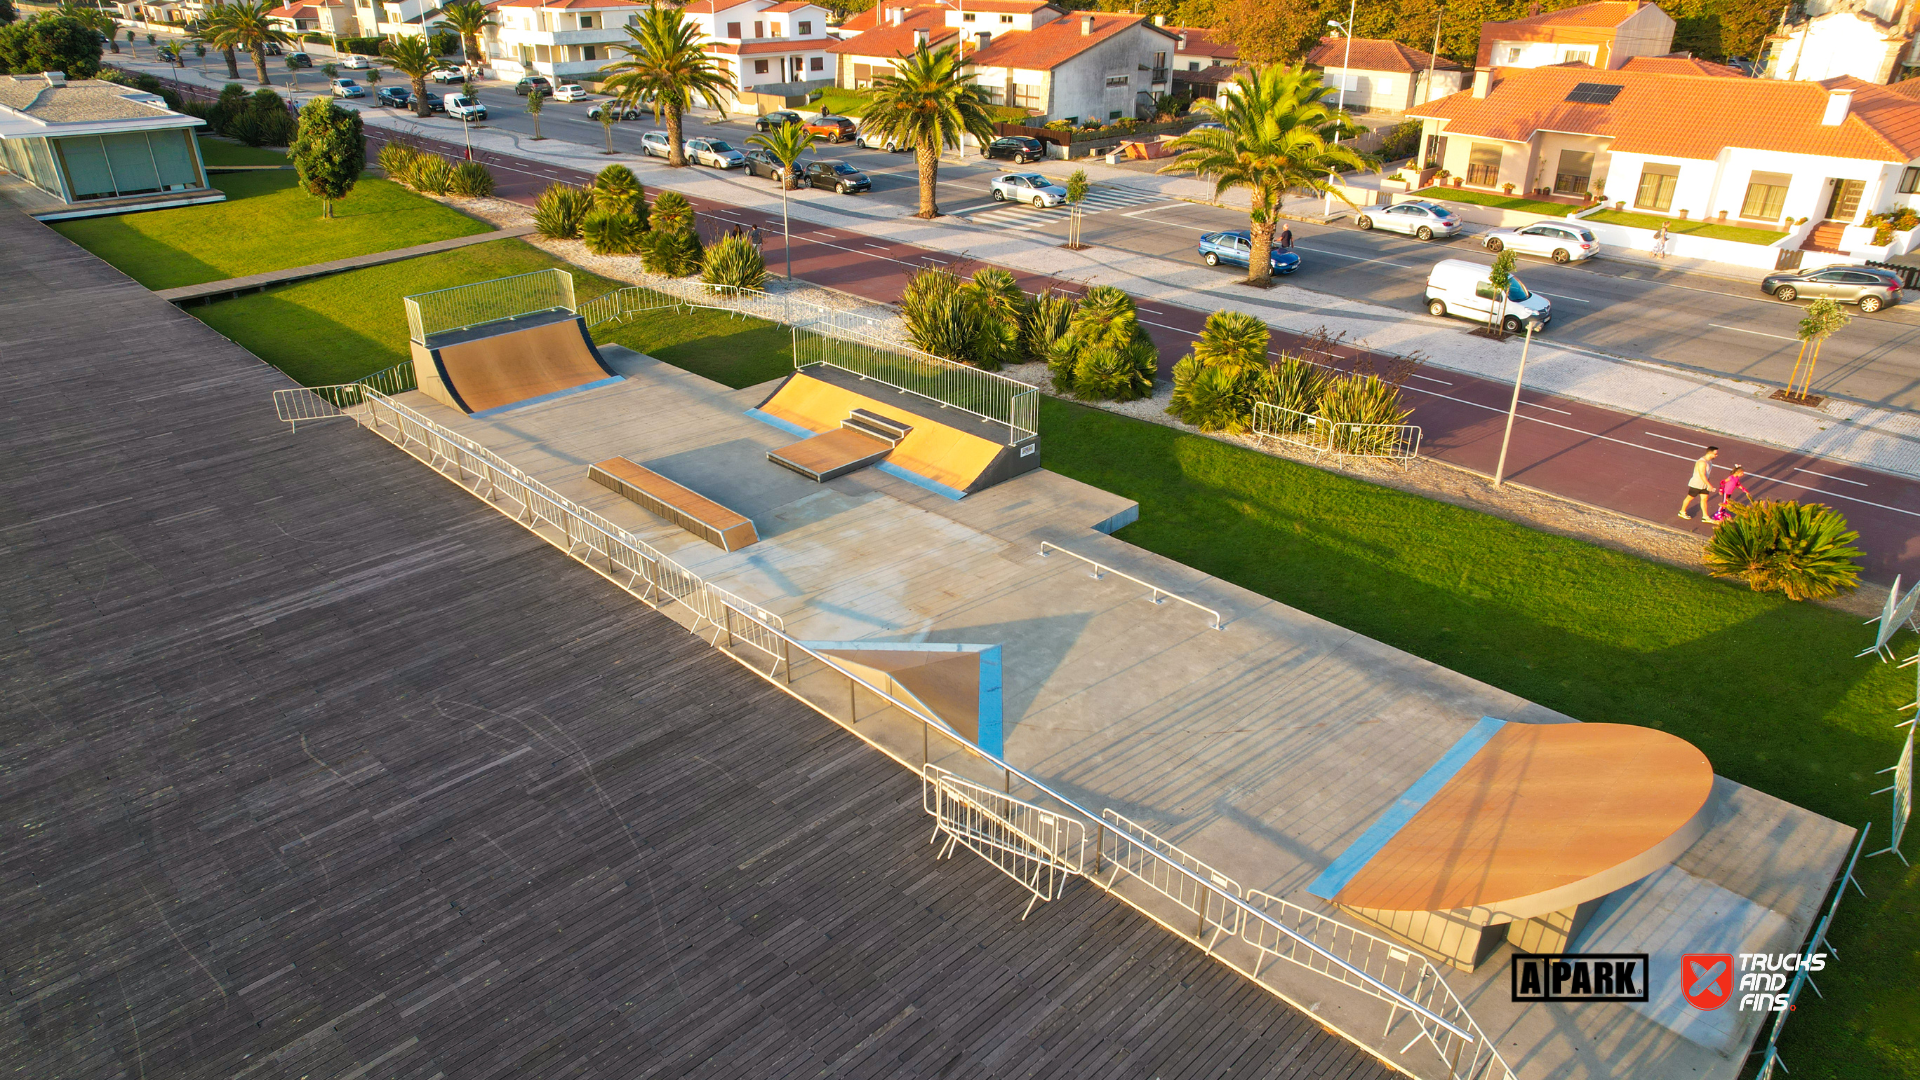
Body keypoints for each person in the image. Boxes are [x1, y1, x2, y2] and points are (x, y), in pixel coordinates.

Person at [1679, 446, 1719, 520]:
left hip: (1704, 484)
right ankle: (1682, 511)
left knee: (1704, 499)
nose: (1716, 455)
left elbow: (1707, 475)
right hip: (1697, 484)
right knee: (1690, 498)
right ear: (1710, 453)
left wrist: (1707, 484)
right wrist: (1709, 485)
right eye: (1715, 454)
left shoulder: (1709, 461)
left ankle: (1705, 516)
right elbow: (1702, 475)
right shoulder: (1702, 462)